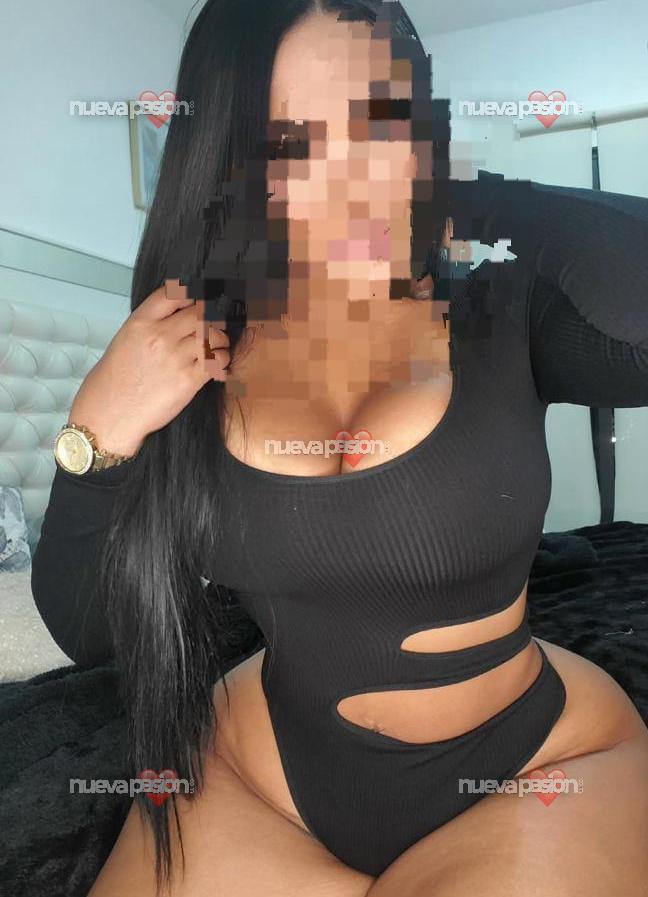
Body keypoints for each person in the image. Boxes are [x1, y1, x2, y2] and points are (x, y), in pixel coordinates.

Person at [31, 1, 648, 895]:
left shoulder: (499, 306)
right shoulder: (192, 349)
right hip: (262, 779)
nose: (350, 178)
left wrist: (468, 194)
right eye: (292, 143)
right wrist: (97, 431)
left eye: (378, 121)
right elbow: (89, 629)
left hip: (529, 769)